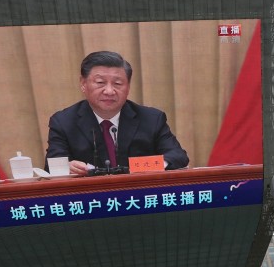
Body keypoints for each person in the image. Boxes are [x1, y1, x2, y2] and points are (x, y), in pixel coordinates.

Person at [46, 51, 189, 176]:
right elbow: (51, 165)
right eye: (100, 82)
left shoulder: (152, 119)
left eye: (118, 83)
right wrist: (66, 167)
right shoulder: (63, 122)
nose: (109, 91)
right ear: (83, 84)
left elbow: (178, 156)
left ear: (128, 87)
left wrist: (145, 166)